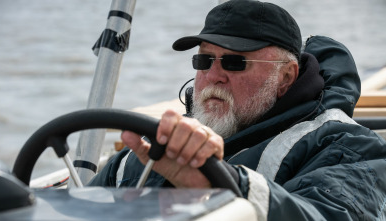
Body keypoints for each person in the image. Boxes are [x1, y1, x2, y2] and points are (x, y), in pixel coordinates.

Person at [89, 0, 386, 220]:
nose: (214, 76)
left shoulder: (349, 148)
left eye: (235, 63)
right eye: (204, 61)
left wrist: (228, 187)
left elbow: (332, 214)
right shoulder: (143, 155)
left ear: (286, 77)